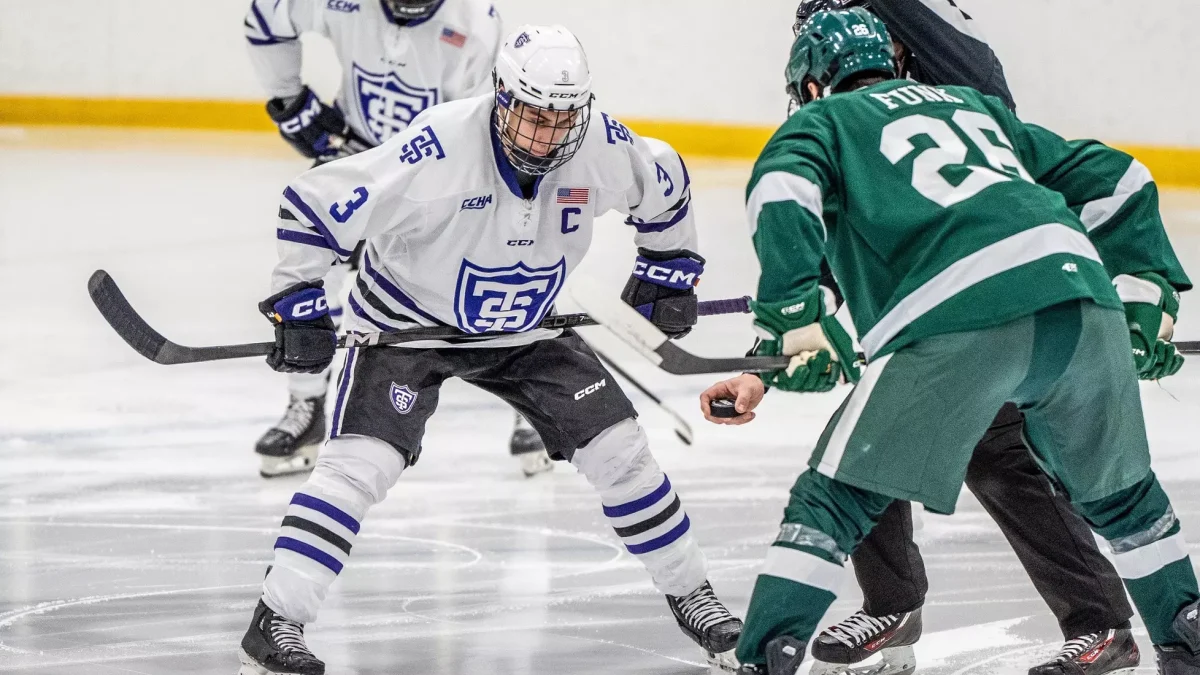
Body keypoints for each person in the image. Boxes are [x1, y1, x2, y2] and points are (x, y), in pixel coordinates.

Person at [698, 9, 1198, 675]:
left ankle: (765, 651)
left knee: (838, 494)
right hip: (1083, 300)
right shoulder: (972, 104)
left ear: (813, 86)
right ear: (896, 57)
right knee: (1123, 495)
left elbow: (783, 192)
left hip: (961, 317)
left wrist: (792, 316)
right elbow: (1119, 175)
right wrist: (1146, 295)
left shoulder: (820, 124)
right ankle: (1183, 631)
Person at [236, 24, 742, 675]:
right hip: (403, 324)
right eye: (532, 115)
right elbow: (315, 203)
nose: (546, 135)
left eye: (562, 118)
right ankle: (277, 617)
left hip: (527, 330)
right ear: (502, 96)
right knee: (358, 465)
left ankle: (693, 593)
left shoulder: (600, 146)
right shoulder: (438, 146)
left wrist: (670, 265)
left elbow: (665, 180)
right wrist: (298, 298)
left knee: (623, 453)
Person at [244, 0, 554, 479]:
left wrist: (424, 200)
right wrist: (289, 100)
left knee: (495, 269)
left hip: (441, 170)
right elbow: (267, 16)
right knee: (308, 265)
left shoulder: (475, 25)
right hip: (356, 161)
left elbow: (484, 125)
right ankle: (305, 406)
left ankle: (532, 399)